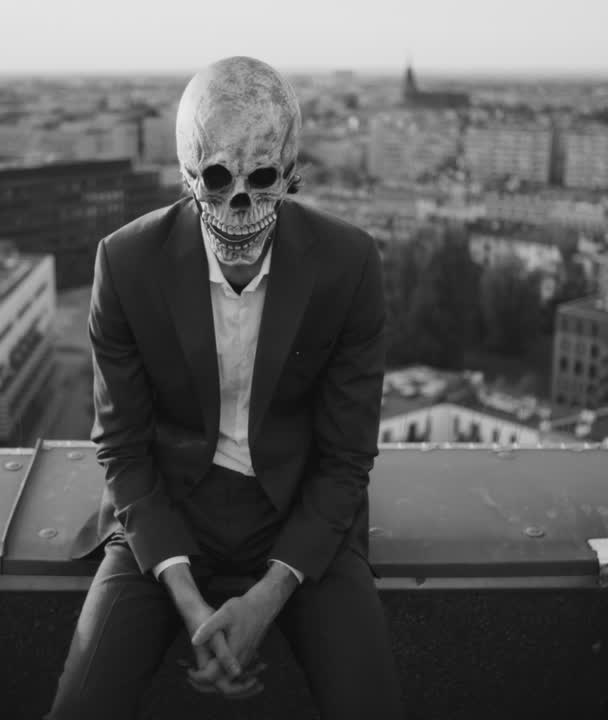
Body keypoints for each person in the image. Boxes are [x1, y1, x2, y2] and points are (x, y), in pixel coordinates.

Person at [47, 56, 404, 720]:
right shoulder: (124, 265)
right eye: (215, 181)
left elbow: (347, 455)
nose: (239, 204)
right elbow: (123, 451)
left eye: (262, 180)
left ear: (291, 178)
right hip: (166, 507)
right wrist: (186, 596)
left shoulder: (348, 265)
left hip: (300, 512)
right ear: (188, 181)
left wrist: (268, 595)